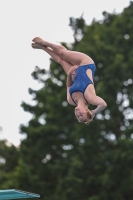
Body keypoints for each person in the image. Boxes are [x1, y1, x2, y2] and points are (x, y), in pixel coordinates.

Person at [31, 37, 107, 125]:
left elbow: (69, 85)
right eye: (81, 114)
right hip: (86, 64)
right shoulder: (89, 98)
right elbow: (103, 104)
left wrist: (70, 73)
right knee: (63, 53)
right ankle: (45, 43)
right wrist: (93, 113)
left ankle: (43, 48)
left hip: (73, 74)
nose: (78, 114)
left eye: (78, 116)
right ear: (86, 110)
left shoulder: (71, 100)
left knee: (61, 61)